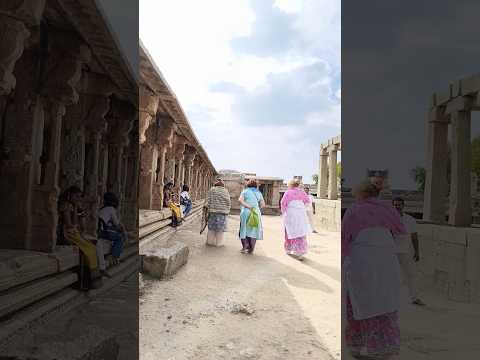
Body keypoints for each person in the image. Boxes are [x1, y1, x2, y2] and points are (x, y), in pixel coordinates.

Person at [342, 180, 406, 359]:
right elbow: (401, 234)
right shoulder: (389, 210)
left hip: (361, 261)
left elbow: (345, 239)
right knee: (385, 300)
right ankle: (384, 346)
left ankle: (357, 346)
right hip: (386, 261)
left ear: (360, 193)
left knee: (360, 301)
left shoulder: (354, 210)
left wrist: (344, 262)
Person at [57, 186, 101, 283]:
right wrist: (76, 210)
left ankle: (93, 276)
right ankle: (88, 277)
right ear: (70, 195)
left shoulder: (72, 206)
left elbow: (80, 226)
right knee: (90, 249)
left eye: (79, 197)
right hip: (66, 233)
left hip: (73, 232)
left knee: (92, 248)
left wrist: (78, 210)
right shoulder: (66, 205)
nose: (78, 199)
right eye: (76, 196)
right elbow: (70, 224)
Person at [392, 197, 425, 306]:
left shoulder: (410, 220)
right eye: (395, 205)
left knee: (411, 275)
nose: (397, 207)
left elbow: (414, 237)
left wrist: (417, 251)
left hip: (406, 252)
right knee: (391, 276)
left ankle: (414, 298)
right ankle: (389, 298)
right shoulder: (388, 219)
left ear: (403, 206)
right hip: (392, 252)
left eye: (399, 205)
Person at [281, 180, 312, 260]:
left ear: (290, 185)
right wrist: (302, 208)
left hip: (291, 214)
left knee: (289, 231)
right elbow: (308, 202)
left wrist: (284, 213)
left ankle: (288, 249)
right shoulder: (302, 192)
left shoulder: (288, 192)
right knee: (301, 232)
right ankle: (300, 252)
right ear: (298, 185)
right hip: (301, 214)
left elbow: (283, 203)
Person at [97, 192, 126, 276]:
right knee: (120, 237)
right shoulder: (111, 209)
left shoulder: (103, 208)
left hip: (101, 230)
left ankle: (115, 255)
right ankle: (114, 256)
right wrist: (123, 231)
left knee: (118, 235)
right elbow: (117, 224)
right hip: (102, 231)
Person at [238, 179, 265, 254]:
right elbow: (263, 205)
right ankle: (251, 249)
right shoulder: (259, 193)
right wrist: (256, 209)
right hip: (256, 212)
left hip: (246, 212)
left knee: (244, 229)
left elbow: (240, 200)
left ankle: (244, 248)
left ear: (248, 185)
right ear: (256, 186)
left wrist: (248, 206)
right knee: (253, 230)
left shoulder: (245, 191)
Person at [205, 178, 231, 246]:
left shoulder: (212, 190)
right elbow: (228, 203)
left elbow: (207, 202)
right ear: (223, 186)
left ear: (215, 185)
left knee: (211, 229)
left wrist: (206, 210)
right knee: (220, 230)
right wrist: (227, 211)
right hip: (222, 214)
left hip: (213, 212)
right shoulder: (226, 191)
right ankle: (219, 244)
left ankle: (209, 242)